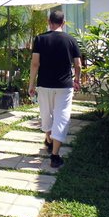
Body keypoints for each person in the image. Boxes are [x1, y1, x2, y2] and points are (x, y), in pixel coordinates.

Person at [28, 10, 81, 168]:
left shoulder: (40, 39)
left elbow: (35, 64)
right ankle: (55, 155)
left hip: (44, 85)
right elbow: (78, 64)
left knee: (46, 114)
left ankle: (49, 139)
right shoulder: (70, 39)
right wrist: (76, 80)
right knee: (61, 117)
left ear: (48, 21)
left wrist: (31, 83)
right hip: (64, 87)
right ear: (63, 23)